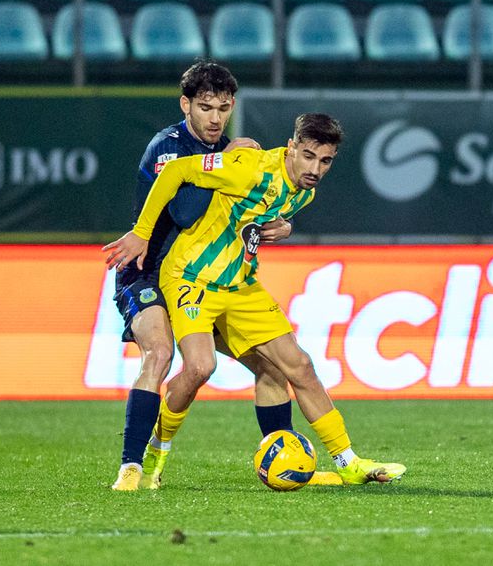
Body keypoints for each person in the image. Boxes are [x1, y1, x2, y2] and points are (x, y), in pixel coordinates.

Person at [104, 113, 407, 486]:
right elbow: (176, 171)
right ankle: (155, 452)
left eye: (325, 161)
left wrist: (285, 227)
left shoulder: (305, 191)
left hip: (240, 287)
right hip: (191, 277)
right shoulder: (249, 166)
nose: (315, 169)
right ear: (292, 147)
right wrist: (142, 231)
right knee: (200, 366)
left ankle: (348, 462)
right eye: (308, 156)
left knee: (298, 366)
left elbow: (264, 216)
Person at [110, 61, 334, 491]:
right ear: (186, 105)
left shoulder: (231, 154)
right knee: (160, 354)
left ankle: (285, 459)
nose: (215, 118)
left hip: (206, 281)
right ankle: (133, 466)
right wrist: (227, 158)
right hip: (148, 271)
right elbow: (185, 212)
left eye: (224, 108)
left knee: (272, 368)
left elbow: (251, 210)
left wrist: (282, 225)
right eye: (205, 107)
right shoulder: (169, 146)